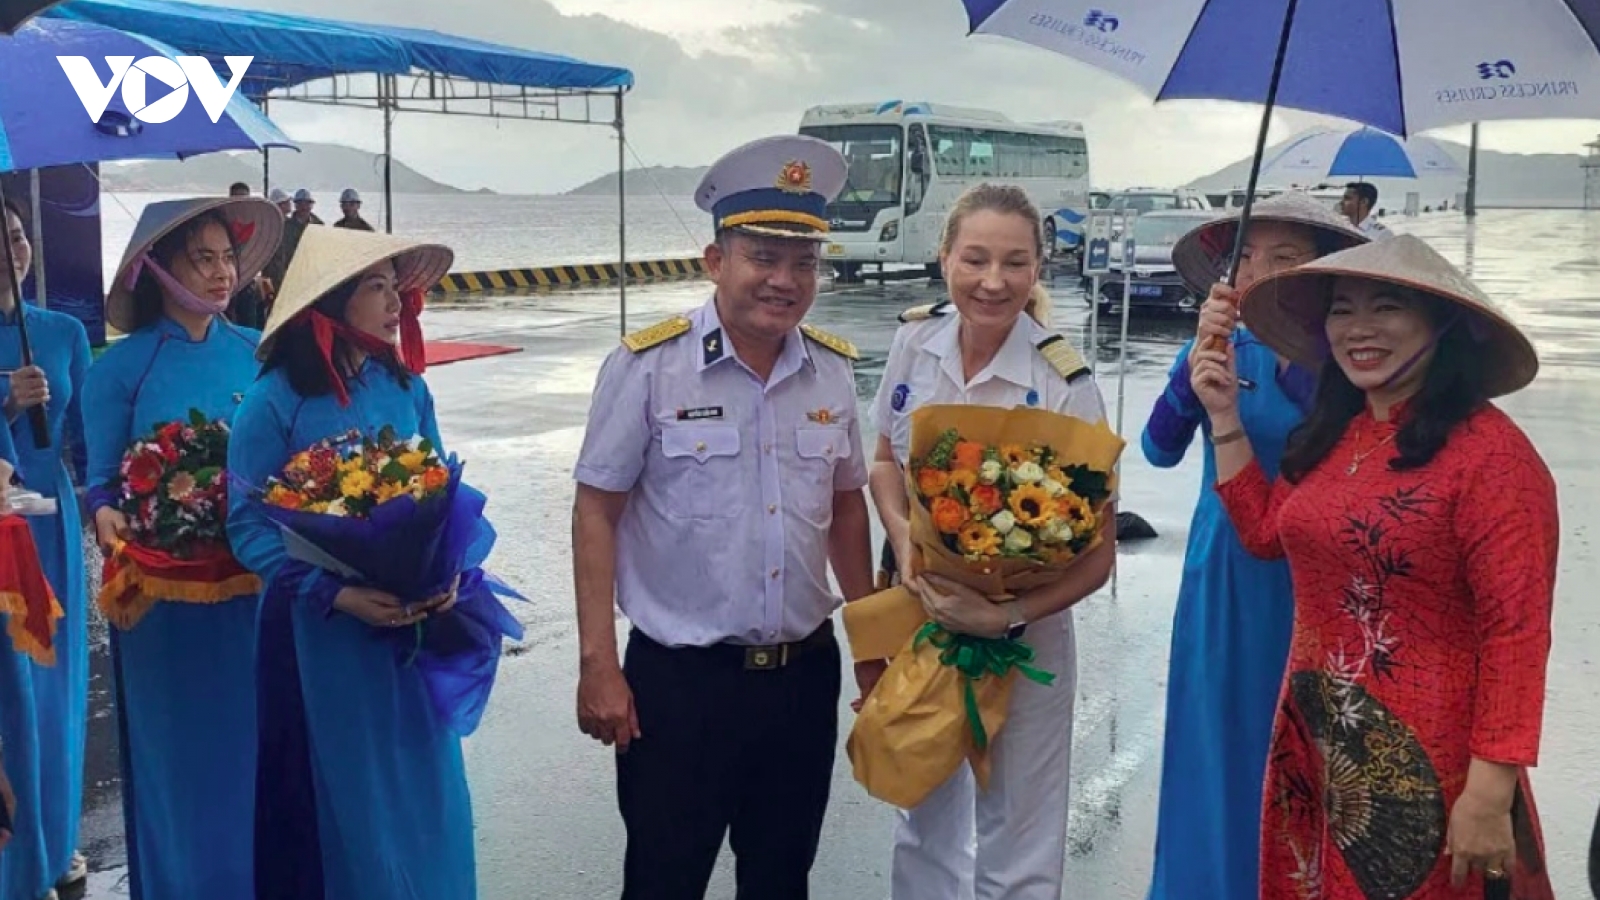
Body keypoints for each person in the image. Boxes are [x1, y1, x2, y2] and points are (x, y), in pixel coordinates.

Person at [1191, 234, 1558, 899]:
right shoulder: (1338, 432)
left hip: (1433, 762)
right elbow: (1266, 534)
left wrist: (1490, 788)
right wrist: (1224, 415)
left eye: (1386, 307)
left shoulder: (1492, 457)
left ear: (1441, 323)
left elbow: (1518, 632)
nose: (1360, 329)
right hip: (1317, 745)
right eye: (1342, 309)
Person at [570, 134, 874, 900]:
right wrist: (597, 663)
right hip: (680, 687)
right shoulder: (648, 367)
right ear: (716, 262)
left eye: (803, 262)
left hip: (803, 680)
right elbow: (596, 509)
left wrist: (872, 646)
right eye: (762, 257)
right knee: (664, 881)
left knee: (781, 881)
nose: (784, 279)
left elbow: (844, 507)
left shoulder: (831, 371)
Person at [867, 183, 1115, 900]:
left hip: (1026, 634)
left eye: (1015, 262)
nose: (993, 281)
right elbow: (884, 460)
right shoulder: (915, 342)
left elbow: (1098, 551)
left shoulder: (1063, 378)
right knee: (924, 816)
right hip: (925, 618)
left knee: (1022, 832)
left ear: (1040, 268)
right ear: (944, 256)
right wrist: (905, 544)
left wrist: (1004, 616)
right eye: (974, 258)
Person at [226, 226, 467, 899]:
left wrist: (444, 574)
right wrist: (337, 594)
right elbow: (247, 526)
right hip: (322, 635)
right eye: (377, 287)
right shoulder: (273, 402)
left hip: (409, 628)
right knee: (347, 797)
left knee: (425, 785)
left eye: (397, 286)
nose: (397, 302)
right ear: (332, 301)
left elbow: (441, 489)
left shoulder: (406, 388)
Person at [1143, 192, 1368, 900]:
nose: (1258, 270)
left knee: (1310, 758)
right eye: (1245, 256)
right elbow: (1155, 449)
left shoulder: (1349, 359)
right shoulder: (1213, 346)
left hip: (1315, 584)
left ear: (1320, 275)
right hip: (1223, 580)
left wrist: (1292, 364)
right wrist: (1194, 370)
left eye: (1285, 258)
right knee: (1215, 749)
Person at [83, 196, 283, 899]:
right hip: (161, 606)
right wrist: (106, 515)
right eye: (202, 256)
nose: (221, 271)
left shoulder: (259, 356)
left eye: (227, 255)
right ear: (157, 270)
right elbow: (100, 483)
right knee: (177, 759)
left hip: (248, 594)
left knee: (255, 750)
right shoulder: (119, 369)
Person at [0, 194, 91, 900]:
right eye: (2, 238)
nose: (16, 247)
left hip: (49, 515)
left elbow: (86, 439)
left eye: (20, 233)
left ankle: (56, 840)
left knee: (56, 686)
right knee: (10, 693)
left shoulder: (61, 333)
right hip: (3, 521)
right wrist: (4, 408)